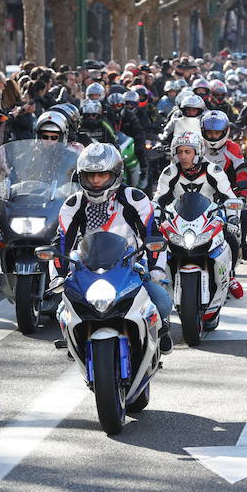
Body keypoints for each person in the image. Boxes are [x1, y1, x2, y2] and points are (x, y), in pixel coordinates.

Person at [55, 143, 174, 353]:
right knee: (62, 311)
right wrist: (59, 276)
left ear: (116, 174)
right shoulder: (73, 204)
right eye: (90, 175)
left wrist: (156, 270)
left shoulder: (135, 199)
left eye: (102, 175)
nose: (96, 181)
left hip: (131, 267)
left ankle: (160, 330)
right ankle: (75, 344)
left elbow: (152, 236)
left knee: (162, 302)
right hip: (86, 270)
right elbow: (62, 244)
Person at [153, 130, 243, 300]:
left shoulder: (213, 170)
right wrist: (155, 219)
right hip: (178, 220)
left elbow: (229, 196)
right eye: (179, 152)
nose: (183, 156)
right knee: (158, 243)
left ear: (198, 152)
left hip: (210, 217)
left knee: (231, 237)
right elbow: (158, 198)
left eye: (188, 152)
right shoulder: (169, 172)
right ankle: (161, 279)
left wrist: (232, 218)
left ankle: (230, 275)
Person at [201, 110, 247, 259]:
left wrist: (242, 194)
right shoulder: (198, 146)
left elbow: (241, 169)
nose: (213, 137)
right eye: (210, 133)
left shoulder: (232, 147)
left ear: (225, 132)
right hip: (202, 191)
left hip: (229, 191)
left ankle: (242, 243)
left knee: (244, 213)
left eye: (217, 133)